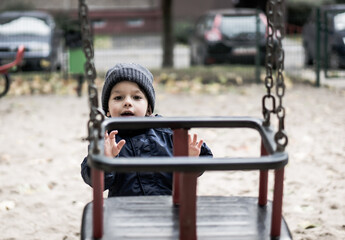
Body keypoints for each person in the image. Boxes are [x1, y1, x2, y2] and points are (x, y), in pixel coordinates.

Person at [81, 63, 213, 197]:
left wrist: (190, 160)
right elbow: (93, 180)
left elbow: (204, 157)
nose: (127, 102)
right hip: (124, 211)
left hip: (166, 207)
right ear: (107, 110)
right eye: (118, 97)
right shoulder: (106, 139)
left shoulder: (167, 132)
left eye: (136, 97)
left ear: (149, 109)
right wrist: (105, 160)